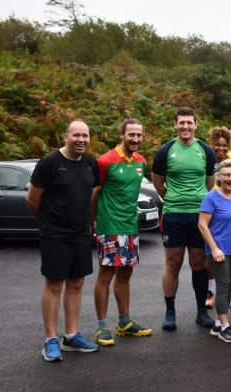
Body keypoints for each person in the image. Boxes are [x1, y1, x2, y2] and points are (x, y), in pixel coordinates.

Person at [26, 120, 100, 362]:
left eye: (85, 136)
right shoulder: (49, 163)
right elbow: (33, 199)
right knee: (54, 284)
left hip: (81, 234)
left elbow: (90, 196)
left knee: (77, 283)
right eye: (76, 135)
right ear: (65, 136)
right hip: (55, 235)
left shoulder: (90, 164)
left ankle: (71, 335)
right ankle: (50, 340)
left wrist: (88, 223)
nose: (81, 140)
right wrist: (49, 223)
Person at [152, 107, 216, 331]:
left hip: (199, 215)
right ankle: (170, 312)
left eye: (189, 123)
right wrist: (174, 199)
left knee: (199, 264)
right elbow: (158, 182)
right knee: (173, 263)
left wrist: (199, 202)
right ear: (175, 125)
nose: (186, 127)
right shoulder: (166, 151)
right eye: (182, 123)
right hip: (173, 214)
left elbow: (210, 182)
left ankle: (201, 311)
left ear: (196, 125)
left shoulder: (205, 151)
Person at [92, 119, 153, 347]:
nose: (135, 139)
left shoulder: (141, 162)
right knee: (106, 275)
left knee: (126, 274)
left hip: (130, 226)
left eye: (139, 135)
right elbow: (95, 192)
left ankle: (124, 322)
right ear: (122, 134)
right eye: (131, 135)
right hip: (110, 226)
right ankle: (101, 327)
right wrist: (94, 222)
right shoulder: (105, 161)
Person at [198, 160, 231, 343]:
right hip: (219, 250)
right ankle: (225, 326)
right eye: (227, 175)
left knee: (228, 286)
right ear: (219, 176)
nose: (230, 178)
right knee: (223, 286)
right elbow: (202, 225)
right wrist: (214, 248)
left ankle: (218, 323)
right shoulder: (211, 197)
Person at [206, 126, 231, 309]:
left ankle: (229, 292)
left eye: (224, 145)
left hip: (227, 210)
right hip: (210, 208)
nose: (220, 149)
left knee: (230, 259)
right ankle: (211, 291)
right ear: (211, 144)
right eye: (217, 145)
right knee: (211, 258)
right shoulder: (206, 158)